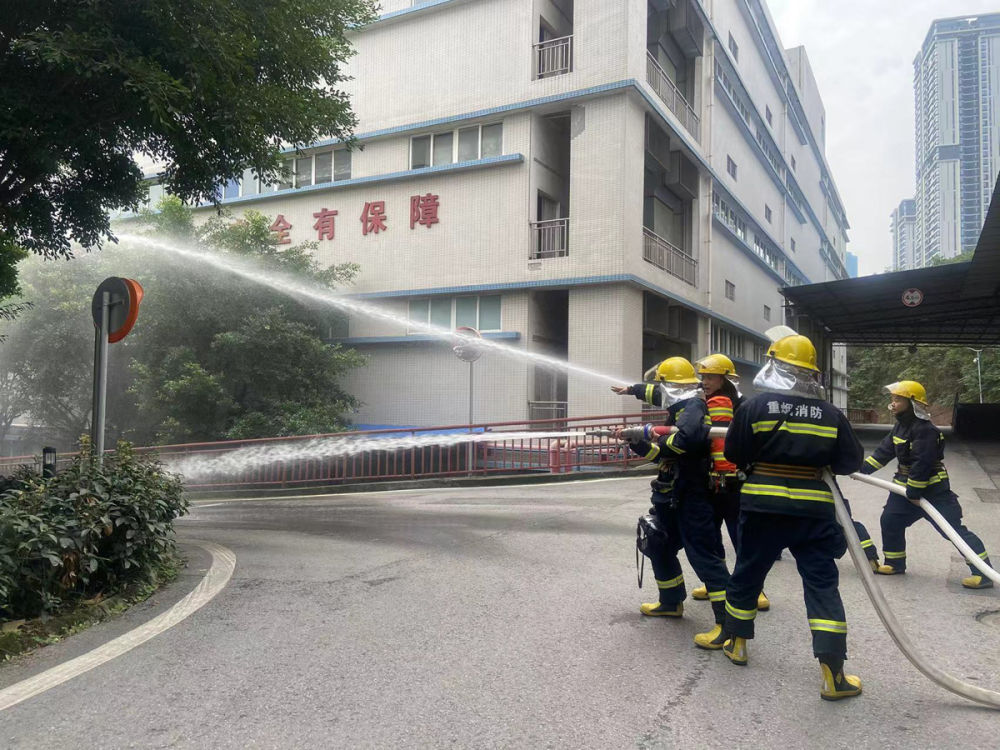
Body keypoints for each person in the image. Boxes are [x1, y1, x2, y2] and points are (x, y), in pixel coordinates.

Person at [720, 334, 865, 701]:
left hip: (761, 506)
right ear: (811, 373)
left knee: (748, 574)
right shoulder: (830, 414)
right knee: (822, 586)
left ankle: (737, 644)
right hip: (813, 511)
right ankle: (833, 674)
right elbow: (850, 461)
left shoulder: (754, 406)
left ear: (775, 365)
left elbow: (733, 452)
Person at [612, 357, 731, 648]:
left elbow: (685, 442)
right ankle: (670, 601)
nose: (659, 392)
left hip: (691, 497)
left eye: (661, 386)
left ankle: (728, 625)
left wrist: (652, 435)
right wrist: (638, 443)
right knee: (658, 544)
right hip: (671, 497)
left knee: (703, 557)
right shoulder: (678, 411)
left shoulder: (693, 408)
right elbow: (665, 457)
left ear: (671, 386)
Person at [860, 380, 993, 589]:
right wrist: (861, 469)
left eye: (898, 399)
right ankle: (895, 563)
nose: (893, 404)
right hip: (905, 490)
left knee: (952, 530)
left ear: (912, 403)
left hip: (933, 492)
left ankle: (983, 573)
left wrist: (914, 491)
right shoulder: (900, 427)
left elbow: (922, 462)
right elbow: (883, 453)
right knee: (890, 521)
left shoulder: (925, 430)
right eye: (893, 399)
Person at [688, 354, 770, 612]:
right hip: (712, 481)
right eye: (703, 377)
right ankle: (719, 582)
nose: (705, 382)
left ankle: (754, 589)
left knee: (739, 536)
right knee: (712, 535)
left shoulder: (733, 403)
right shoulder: (707, 402)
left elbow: (735, 441)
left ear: (724, 379)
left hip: (731, 482)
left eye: (711, 377)